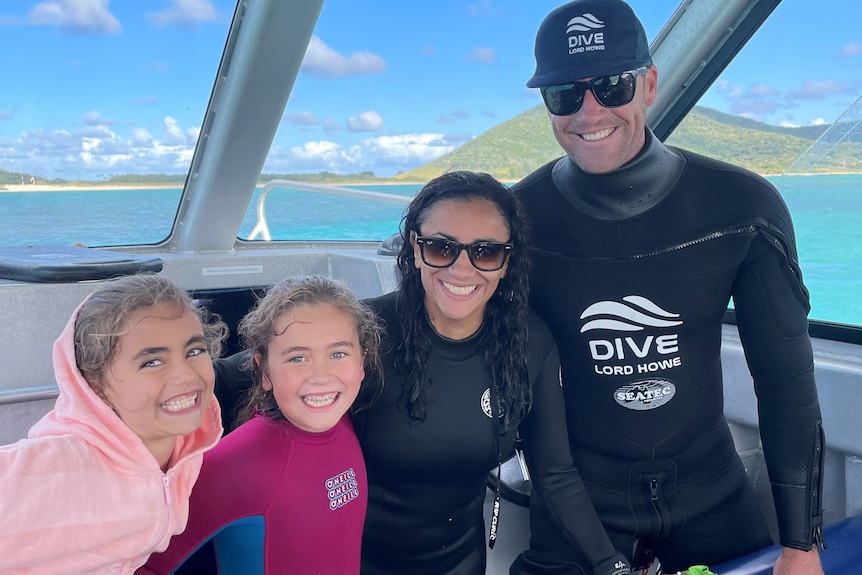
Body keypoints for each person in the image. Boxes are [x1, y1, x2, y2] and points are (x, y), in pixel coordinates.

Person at [509, 1, 826, 574]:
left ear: (649, 84)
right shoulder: (518, 221)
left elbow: (786, 384)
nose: (589, 111)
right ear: (546, 104)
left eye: (611, 86)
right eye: (564, 94)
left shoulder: (740, 208)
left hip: (711, 493)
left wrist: (801, 545)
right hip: (579, 500)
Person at [353, 170, 630, 575]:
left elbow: (555, 474)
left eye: (485, 252)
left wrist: (612, 565)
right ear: (415, 249)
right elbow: (250, 372)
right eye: (441, 247)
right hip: (353, 560)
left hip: (462, 562)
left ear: (507, 260)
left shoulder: (529, 343)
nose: (462, 269)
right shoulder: (363, 330)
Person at [140, 275, 383, 575]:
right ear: (265, 371)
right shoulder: (233, 465)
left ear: (362, 363)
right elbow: (144, 563)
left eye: (338, 354)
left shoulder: (349, 420)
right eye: (297, 358)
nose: (321, 375)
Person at [0, 273, 226, 574]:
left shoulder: (185, 452)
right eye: (152, 362)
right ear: (94, 383)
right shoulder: (43, 471)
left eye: (194, 351)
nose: (185, 375)